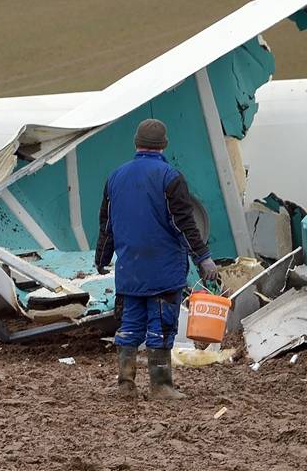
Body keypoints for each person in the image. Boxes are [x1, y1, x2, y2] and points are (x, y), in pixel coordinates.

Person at [94, 118, 219, 401]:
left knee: (129, 325)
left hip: (130, 270)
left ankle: (125, 385)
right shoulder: (170, 178)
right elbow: (184, 224)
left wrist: (102, 257)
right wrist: (203, 258)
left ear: (136, 143)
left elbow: (107, 225)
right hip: (164, 270)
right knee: (161, 326)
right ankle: (161, 386)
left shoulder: (115, 177)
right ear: (164, 144)